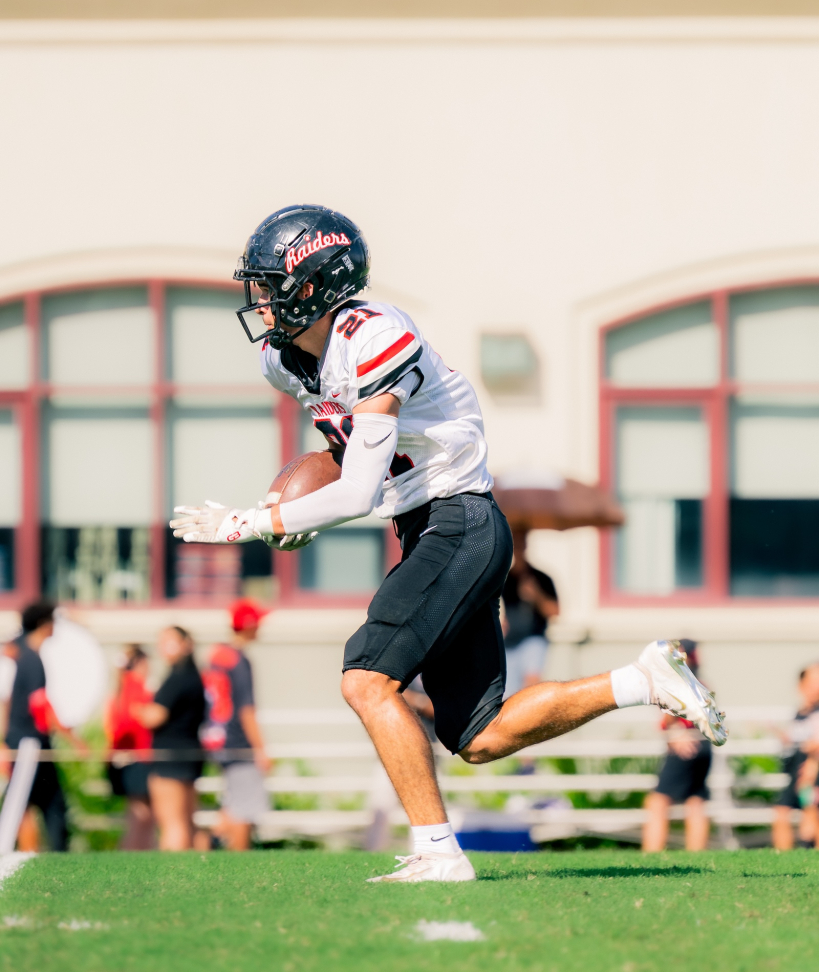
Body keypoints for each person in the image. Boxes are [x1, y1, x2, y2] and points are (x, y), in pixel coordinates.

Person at [170, 205, 727, 883]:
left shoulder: (374, 335)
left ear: (313, 283)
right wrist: (294, 508)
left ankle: (437, 852)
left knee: (366, 679)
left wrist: (253, 524)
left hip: (458, 521)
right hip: (429, 527)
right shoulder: (284, 360)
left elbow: (358, 491)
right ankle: (643, 679)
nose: (258, 299)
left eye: (269, 284)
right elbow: (347, 453)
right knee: (480, 734)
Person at [1, 600, 86, 852]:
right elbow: (40, 705)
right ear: (44, 624)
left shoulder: (21, 653)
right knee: (22, 801)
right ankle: (18, 853)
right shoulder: (30, 659)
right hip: (29, 742)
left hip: (28, 740)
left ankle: (54, 854)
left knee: (50, 800)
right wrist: (73, 740)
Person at [200, 600, 271, 850]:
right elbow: (246, 710)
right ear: (249, 625)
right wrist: (260, 749)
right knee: (244, 811)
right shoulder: (239, 661)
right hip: (238, 743)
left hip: (217, 738)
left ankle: (203, 844)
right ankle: (238, 863)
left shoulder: (218, 656)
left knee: (232, 805)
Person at [133, 626, 205, 851]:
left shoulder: (178, 677)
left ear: (185, 645)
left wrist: (137, 709)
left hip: (170, 756)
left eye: (168, 641)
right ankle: (204, 867)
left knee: (172, 822)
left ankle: (174, 871)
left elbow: (155, 716)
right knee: (188, 821)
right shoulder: (193, 676)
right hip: (189, 752)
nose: (162, 646)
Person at [642, 640, 712, 852]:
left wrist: (674, 732)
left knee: (657, 802)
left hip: (685, 747)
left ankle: (652, 854)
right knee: (695, 801)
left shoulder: (679, 682)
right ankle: (696, 854)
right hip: (703, 746)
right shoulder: (702, 685)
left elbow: (671, 715)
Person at [106, 645, 155, 850]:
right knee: (140, 817)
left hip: (126, 759)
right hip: (138, 758)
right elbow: (135, 722)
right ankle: (132, 857)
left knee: (140, 815)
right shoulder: (136, 689)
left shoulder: (121, 689)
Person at [502, 528, 559, 698]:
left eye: (521, 543)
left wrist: (536, 596)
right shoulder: (503, 579)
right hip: (508, 644)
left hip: (533, 640)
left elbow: (554, 611)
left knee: (530, 691)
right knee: (509, 695)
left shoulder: (541, 578)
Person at [771, 663, 819, 850]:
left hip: (810, 771)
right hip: (797, 770)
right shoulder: (801, 712)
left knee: (811, 814)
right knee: (783, 811)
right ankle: (783, 857)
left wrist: (811, 767)